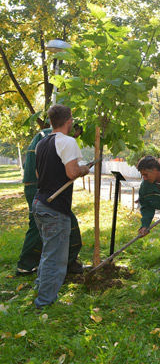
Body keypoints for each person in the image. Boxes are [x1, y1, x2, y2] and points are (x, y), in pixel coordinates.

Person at [31, 104, 90, 308]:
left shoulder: (42, 143)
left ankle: (41, 288)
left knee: (48, 252)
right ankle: (45, 303)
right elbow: (72, 172)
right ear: (69, 121)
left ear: (50, 122)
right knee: (55, 257)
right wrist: (84, 169)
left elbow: (38, 175)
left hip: (40, 202)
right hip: (54, 207)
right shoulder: (68, 141)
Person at [16, 123, 84, 277]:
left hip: (36, 186)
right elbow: (68, 170)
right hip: (41, 189)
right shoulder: (53, 138)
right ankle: (37, 266)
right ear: (71, 126)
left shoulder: (43, 137)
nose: (75, 137)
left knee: (40, 224)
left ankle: (33, 265)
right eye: (76, 133)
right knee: (59, 224)